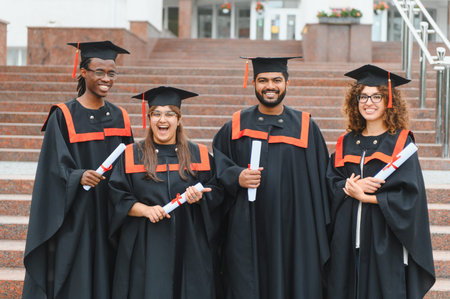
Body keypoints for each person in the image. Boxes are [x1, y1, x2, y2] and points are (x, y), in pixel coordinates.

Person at [22, 41, 134, 299]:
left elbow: (130, 166)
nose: (106, 78)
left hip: (110, 215)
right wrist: (77, 176)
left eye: (112, 73)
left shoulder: (121, 117)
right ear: (83, 72)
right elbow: (51, 169)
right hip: (76, 216)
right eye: (99, 71)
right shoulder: (63, 115)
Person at [213, 57, 331, 299]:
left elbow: (322, 182)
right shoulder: (236, 126)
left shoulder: (306, 127)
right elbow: (217, 169)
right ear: (253, 83)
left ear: (287, 82)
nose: (270, 86)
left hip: (295, 229)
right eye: (263, 80)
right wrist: (237, 176)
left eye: (277, 80)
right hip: (248, 228)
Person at [326, 64, 435, 298]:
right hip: (345, 240)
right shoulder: (345, 143)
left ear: (389, 101)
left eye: (377, 96)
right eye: (363, 96)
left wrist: (366, 196)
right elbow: (330, 183)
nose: (369, 102)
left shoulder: (401, 144)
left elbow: (410, 197)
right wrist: (348, 187)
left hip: (383, 239)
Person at [108, 86, 223, 299]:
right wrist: (144, 210)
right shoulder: (132, 154)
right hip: (146, 244)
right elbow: (116, 196)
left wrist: (200, 198)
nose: (163, 119)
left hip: (188, 243)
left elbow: (217, 192)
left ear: (179, 119)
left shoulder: (200, 154)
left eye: (170, 113)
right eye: (157, 113)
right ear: (149, 118)